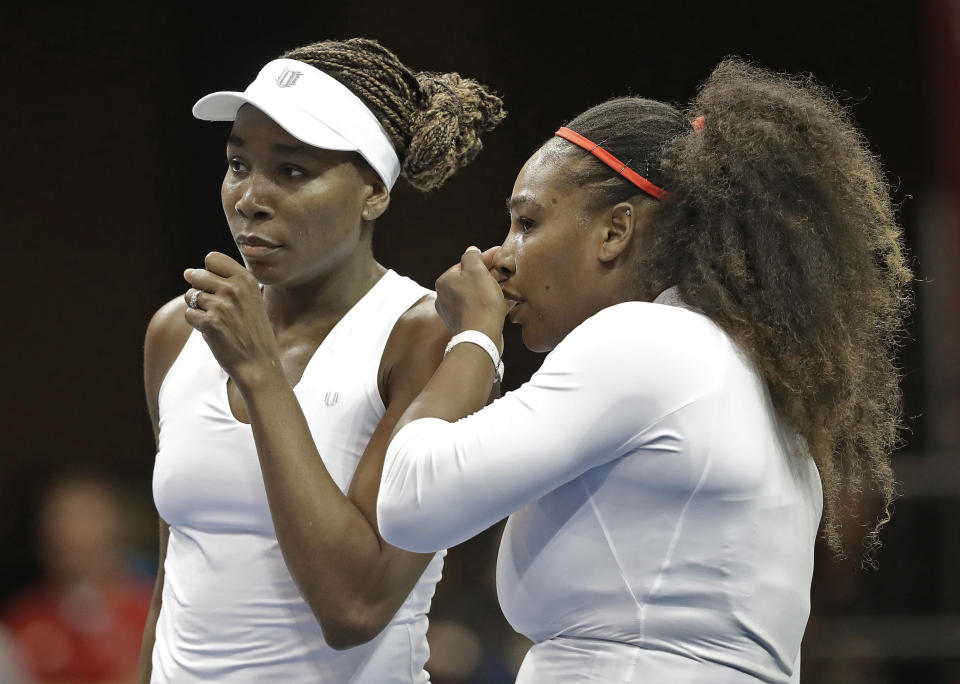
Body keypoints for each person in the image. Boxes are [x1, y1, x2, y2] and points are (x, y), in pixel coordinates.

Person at [377, 58, 911, 683]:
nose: (501, 255)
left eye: (527, 222)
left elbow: (411, 503)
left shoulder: (644, 340)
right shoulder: (738, 363)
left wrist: (474, 335)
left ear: (615, 230)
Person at [139, 38, 504, 682]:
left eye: (292, 171)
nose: (250, 196)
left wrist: (259, 373)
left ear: (373, 193)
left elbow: (353, 605)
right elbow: (174, 575)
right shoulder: (177, 330)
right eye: (236, 164)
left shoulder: (424, 339)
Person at [2, 474, 153, 684]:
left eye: (90, 518)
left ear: (116, 534)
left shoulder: (156, 616)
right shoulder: (20, 624)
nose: (76, 531)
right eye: (62, 519)